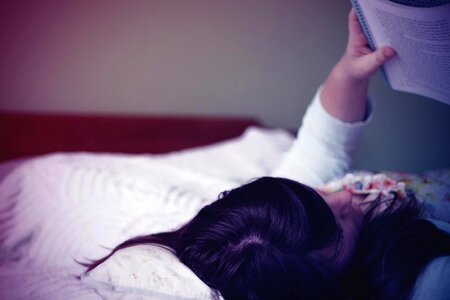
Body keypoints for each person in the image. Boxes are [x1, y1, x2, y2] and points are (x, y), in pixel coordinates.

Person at [85, 9, 450, 300]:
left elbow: (325, 142)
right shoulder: (424, 280)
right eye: (342, 222)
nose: (345, 195)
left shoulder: (287, 219)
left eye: (319, 195)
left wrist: (350, 72)